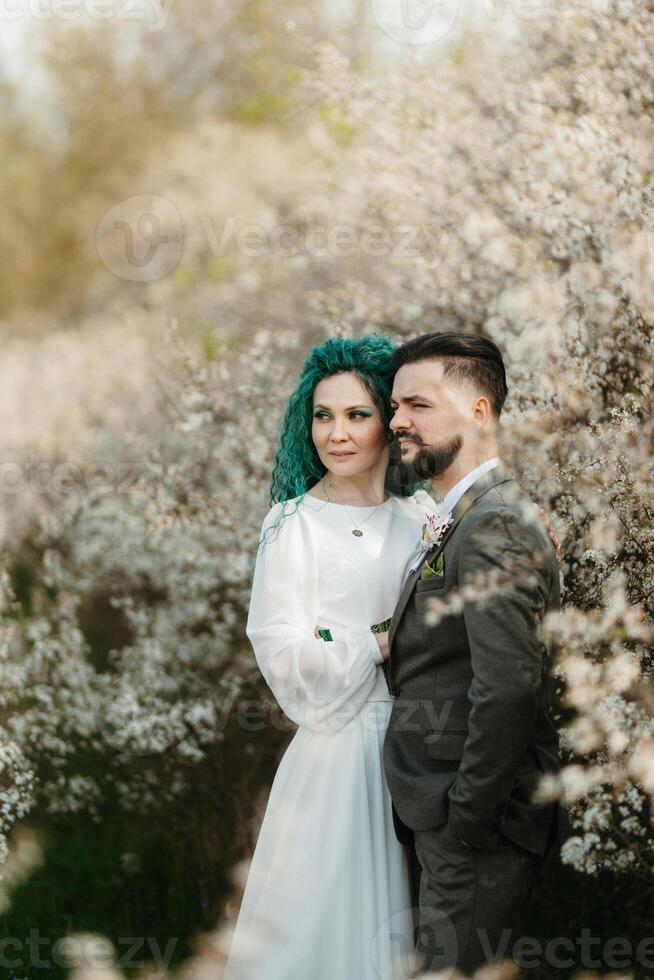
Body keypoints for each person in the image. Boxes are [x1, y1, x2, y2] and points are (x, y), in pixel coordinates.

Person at [222, 333, 562, 980]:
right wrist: (376, 642)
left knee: (420, 945)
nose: (337, 434)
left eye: (357, 415)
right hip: (341, 757)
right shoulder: (291, 525)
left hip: (427, 768)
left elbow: (481, 629)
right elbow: (284, 661)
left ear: (389, 423)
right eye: (322, 416)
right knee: (331, 938)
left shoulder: (424, 515)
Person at [382, 331, 573, 977]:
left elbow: (509, 688)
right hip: (445, 813)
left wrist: (467, 819)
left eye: (417, 405)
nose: (397, 421)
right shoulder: (469, 514)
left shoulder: (493, 522)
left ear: (478, 412)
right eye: (394, 406)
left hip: (475, 823)